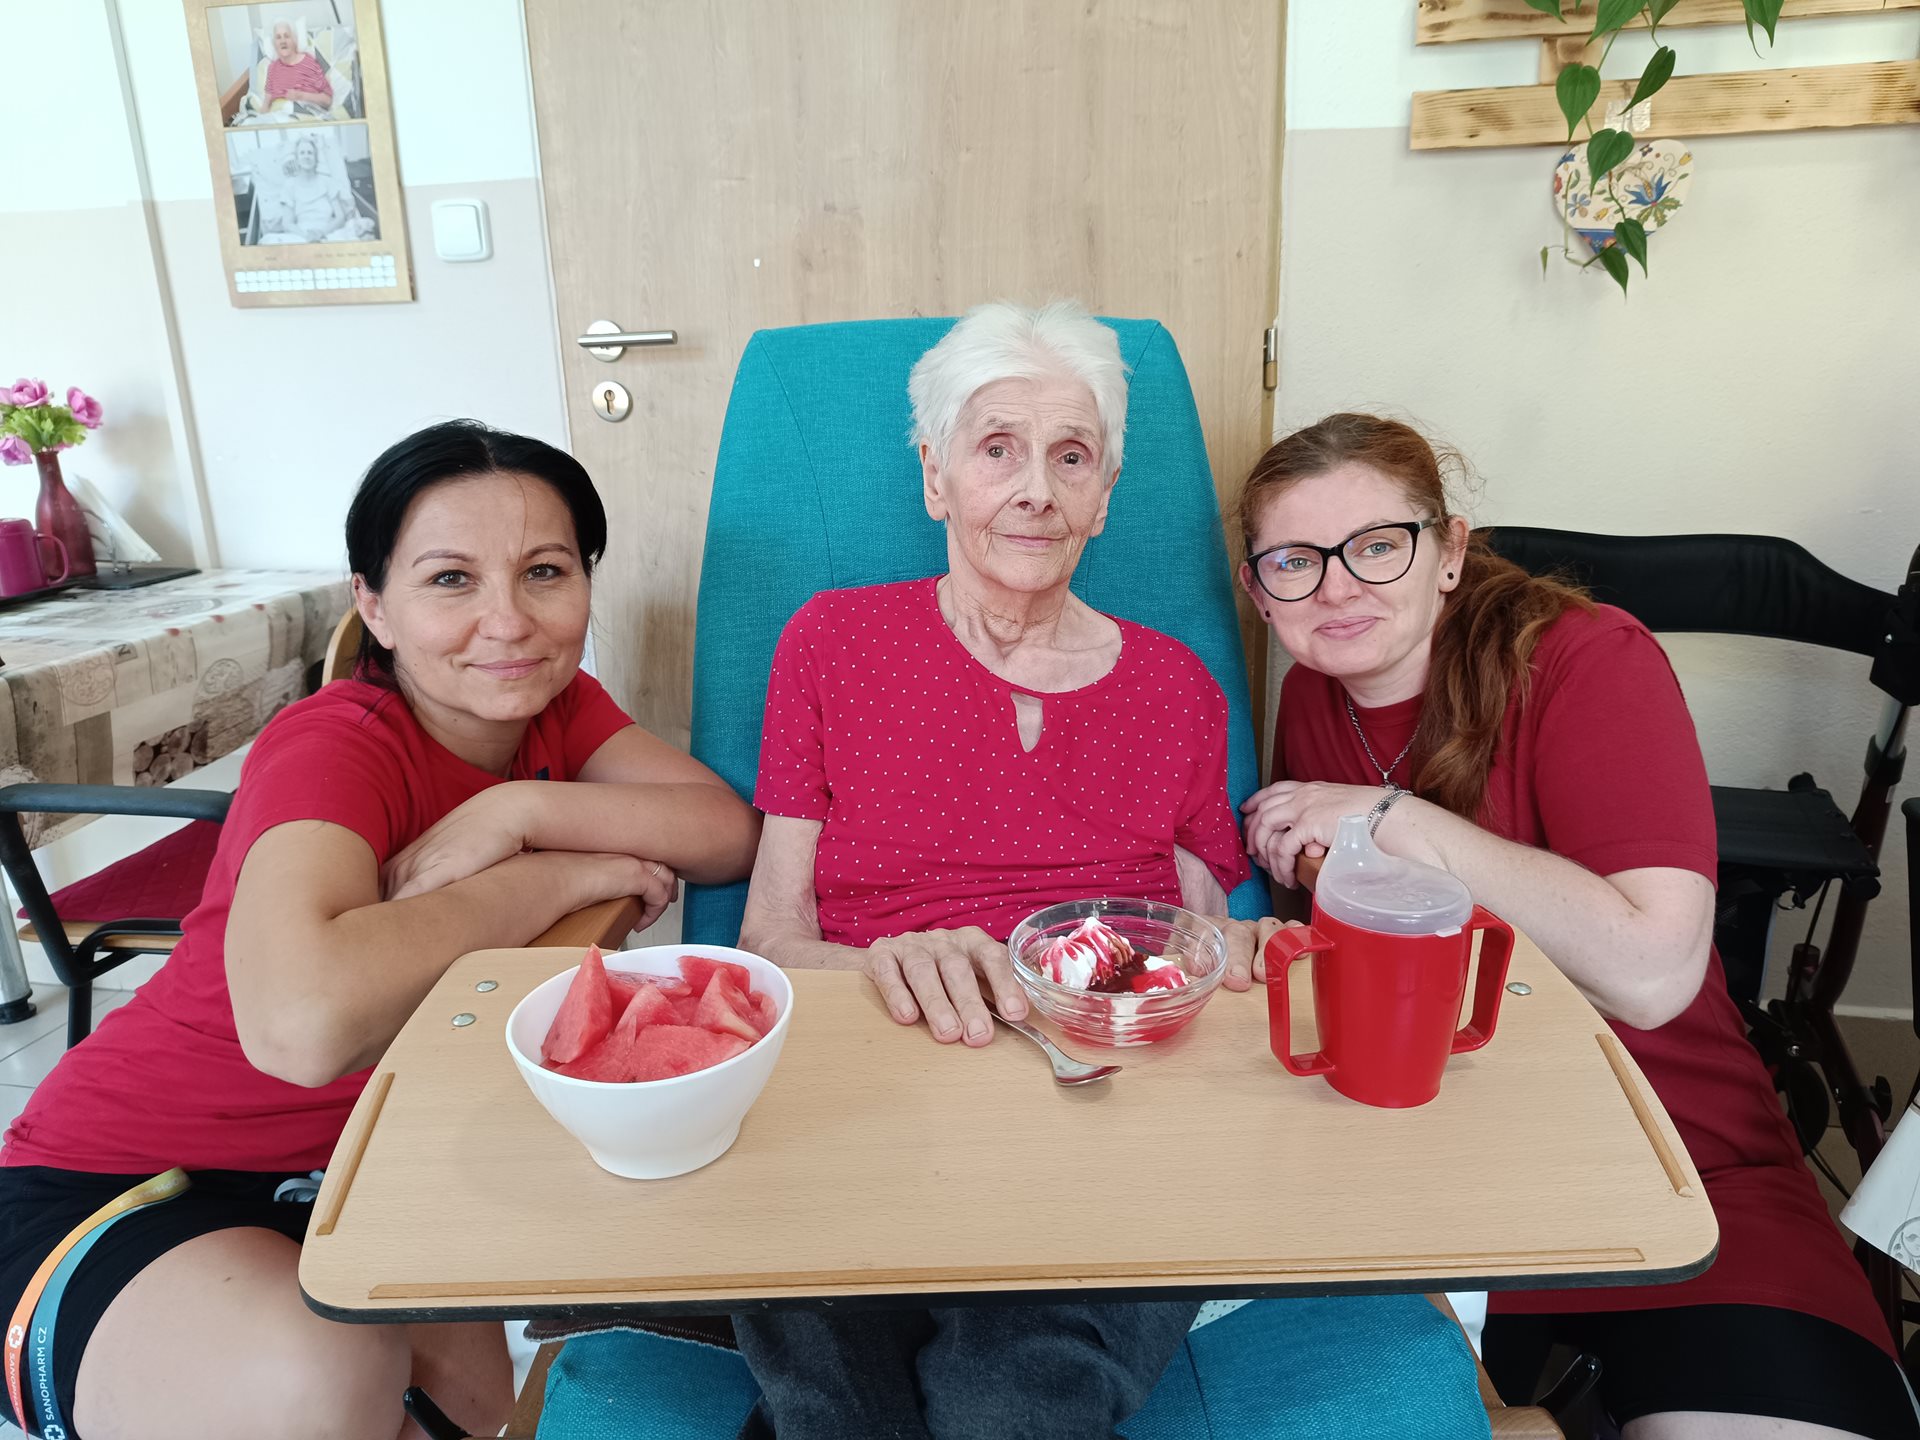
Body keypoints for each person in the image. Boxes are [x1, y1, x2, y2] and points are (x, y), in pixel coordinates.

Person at [0, 421, 761, 1440]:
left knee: (475, 1408)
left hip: (356, 1176)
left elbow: (726, 832)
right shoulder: (336, 743)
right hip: (121, 1186)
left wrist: (517, 811)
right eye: (450, 579)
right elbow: (301, 1027)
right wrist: (544, 876)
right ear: (374, 605)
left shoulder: (556, 712)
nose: (508, 621)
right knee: (325, 1373)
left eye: (545, 571)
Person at [1234, 412, 1918, 1440]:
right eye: (1294, 561)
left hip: (1674, 1157)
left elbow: (1653, 975)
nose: (1336, 587)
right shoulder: (1312, 701)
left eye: (1376, 545)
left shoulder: (1585, 661)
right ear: (1259, 590)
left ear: (1450, 551)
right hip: (1436, 1178)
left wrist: (1393, 820)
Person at [733, 300, 1257, 1437]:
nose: (1036, 490)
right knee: (825, 1369)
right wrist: (883, 962)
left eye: (1072, 457)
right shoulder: (831, 642)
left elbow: (1199, 952)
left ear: (1104, 494)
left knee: (1014, 1396)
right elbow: (768, 940)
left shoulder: (1176, 688)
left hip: (1094, 1112)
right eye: (997, 450)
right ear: (936, 477)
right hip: (866, 1093)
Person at [263, 20, 333, 111]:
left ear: (294, 40)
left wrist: (301, 95)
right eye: (278, 37)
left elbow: (327, 100)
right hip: (277, 114)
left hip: (303, 113)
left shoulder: (308, 63)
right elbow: (267, 100)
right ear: (274, 44)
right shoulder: (272, 68)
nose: (283, 41)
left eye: (287, 36)